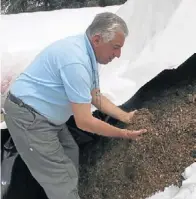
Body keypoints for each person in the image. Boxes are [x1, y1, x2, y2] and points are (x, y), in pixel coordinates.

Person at [4, 12, 147, 199]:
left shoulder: (88, 53)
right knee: (62, 177)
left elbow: (95, 96)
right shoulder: (76, 61)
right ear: (97, 39)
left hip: (44, 115)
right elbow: (84, 122)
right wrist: (123, 134)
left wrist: (125, 117)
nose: (118, 55)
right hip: (28, 117)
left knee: (69, 151)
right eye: (115, 47)